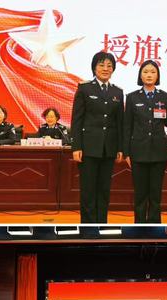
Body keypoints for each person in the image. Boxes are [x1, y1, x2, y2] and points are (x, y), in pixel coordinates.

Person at [123, 59, 167, 223]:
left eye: (153, 72)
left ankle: (155, 227)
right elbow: (127, 126)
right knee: (140, 194)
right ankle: (139, 227)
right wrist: (126, 152)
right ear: (140, 75)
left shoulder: (164, 97)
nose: (149, 75)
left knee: (155, 194)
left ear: (157, 75)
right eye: (145, 71)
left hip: (158, 152)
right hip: (138, 152)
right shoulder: (132, 97)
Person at [71, 51, 124, 223]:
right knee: (88, 191)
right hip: (88, 148)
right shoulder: (85, 88)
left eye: (109, 66)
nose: (105, 69)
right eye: (101, 65)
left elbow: (120, 123)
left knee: (104, 190)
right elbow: (77, 120)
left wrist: (120, 148)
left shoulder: (117, 92)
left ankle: (102, 224)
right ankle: (88, 227)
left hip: (109, 149)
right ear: (94, 68)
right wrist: (76, 146)